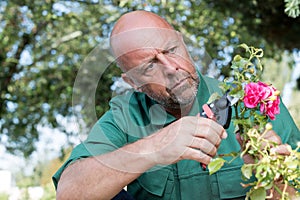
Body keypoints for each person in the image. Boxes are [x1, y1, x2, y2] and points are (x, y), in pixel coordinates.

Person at [53, 10, 300, 199]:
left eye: (172, 50)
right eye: (150, 66)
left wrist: (276, 181)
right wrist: (155, 147)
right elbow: (70, 191)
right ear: (133, 81)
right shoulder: (125, 116)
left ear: (183, 43)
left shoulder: (255, 102)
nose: (171, 69)